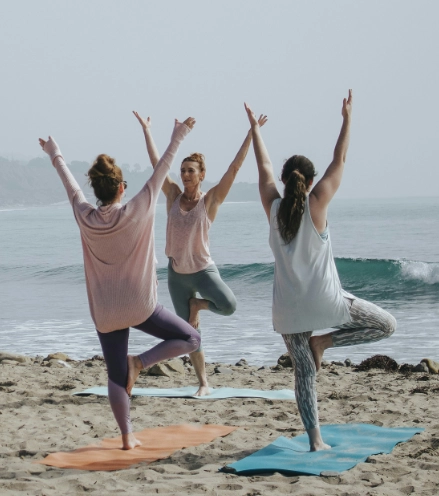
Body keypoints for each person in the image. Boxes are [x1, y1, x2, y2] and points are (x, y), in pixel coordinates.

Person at [244, 91, 396, 451]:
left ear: (284, 181)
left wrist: (255, 131)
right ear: (310, 182)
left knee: (304, 375)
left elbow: (262, 170)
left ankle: (315, 441)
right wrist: (347, 119)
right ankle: (325, 341)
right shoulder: (318, 203)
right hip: (327, 303)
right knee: (386, 325)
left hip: (289, 310)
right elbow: (339, 158)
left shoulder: (273, 207)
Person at [39, 116, 200, 450]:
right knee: (191, 338)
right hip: (140, 305)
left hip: (106, 312)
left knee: (114, 377)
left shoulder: (84, 215)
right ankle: (140, 363)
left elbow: (70, 185)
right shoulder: (137, 209)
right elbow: (163, 169)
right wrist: (179, 135)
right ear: (122, 188)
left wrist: (55, 153)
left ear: (97, 191)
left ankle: (127, 438)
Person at [132, 111, 267, 396]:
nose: (184, 175)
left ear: (202, 174)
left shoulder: (211, 201)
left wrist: (251, 133)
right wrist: (147, 130)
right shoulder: (171, 196)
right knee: (191, 337)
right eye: (182, 170)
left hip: (204, 271)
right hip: (177, 275)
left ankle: (199, 305)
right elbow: (159, 164)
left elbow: (234, 168)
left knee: (229, 305)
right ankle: (204, 382)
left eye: (191, 170)